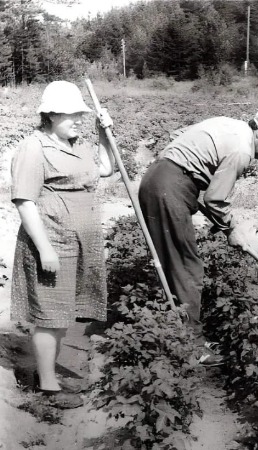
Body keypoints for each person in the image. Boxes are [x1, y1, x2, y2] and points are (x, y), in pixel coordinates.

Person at [137, 110, 258, 365]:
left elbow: (178, 136)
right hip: (169, 188)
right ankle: (192, 346)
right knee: (187, 268)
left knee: (174, 264)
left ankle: (179, 332)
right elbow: (215, 199)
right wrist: (232, 230)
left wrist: (189, 178)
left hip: (160, 178)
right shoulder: (242, 150)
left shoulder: (228, 124)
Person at [11, 80, 115, 409]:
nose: (80, 120)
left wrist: (103, 135)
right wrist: (45, 249)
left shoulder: (78, 144)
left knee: (62, 317)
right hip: (52, 242)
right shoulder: (34, 147)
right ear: (52, 115)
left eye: (82, 115)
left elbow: (105, 168)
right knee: (50, 317)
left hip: (81, 244)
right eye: (74, 115)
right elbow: (25, 202)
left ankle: (47, 374)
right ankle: (47, 386)